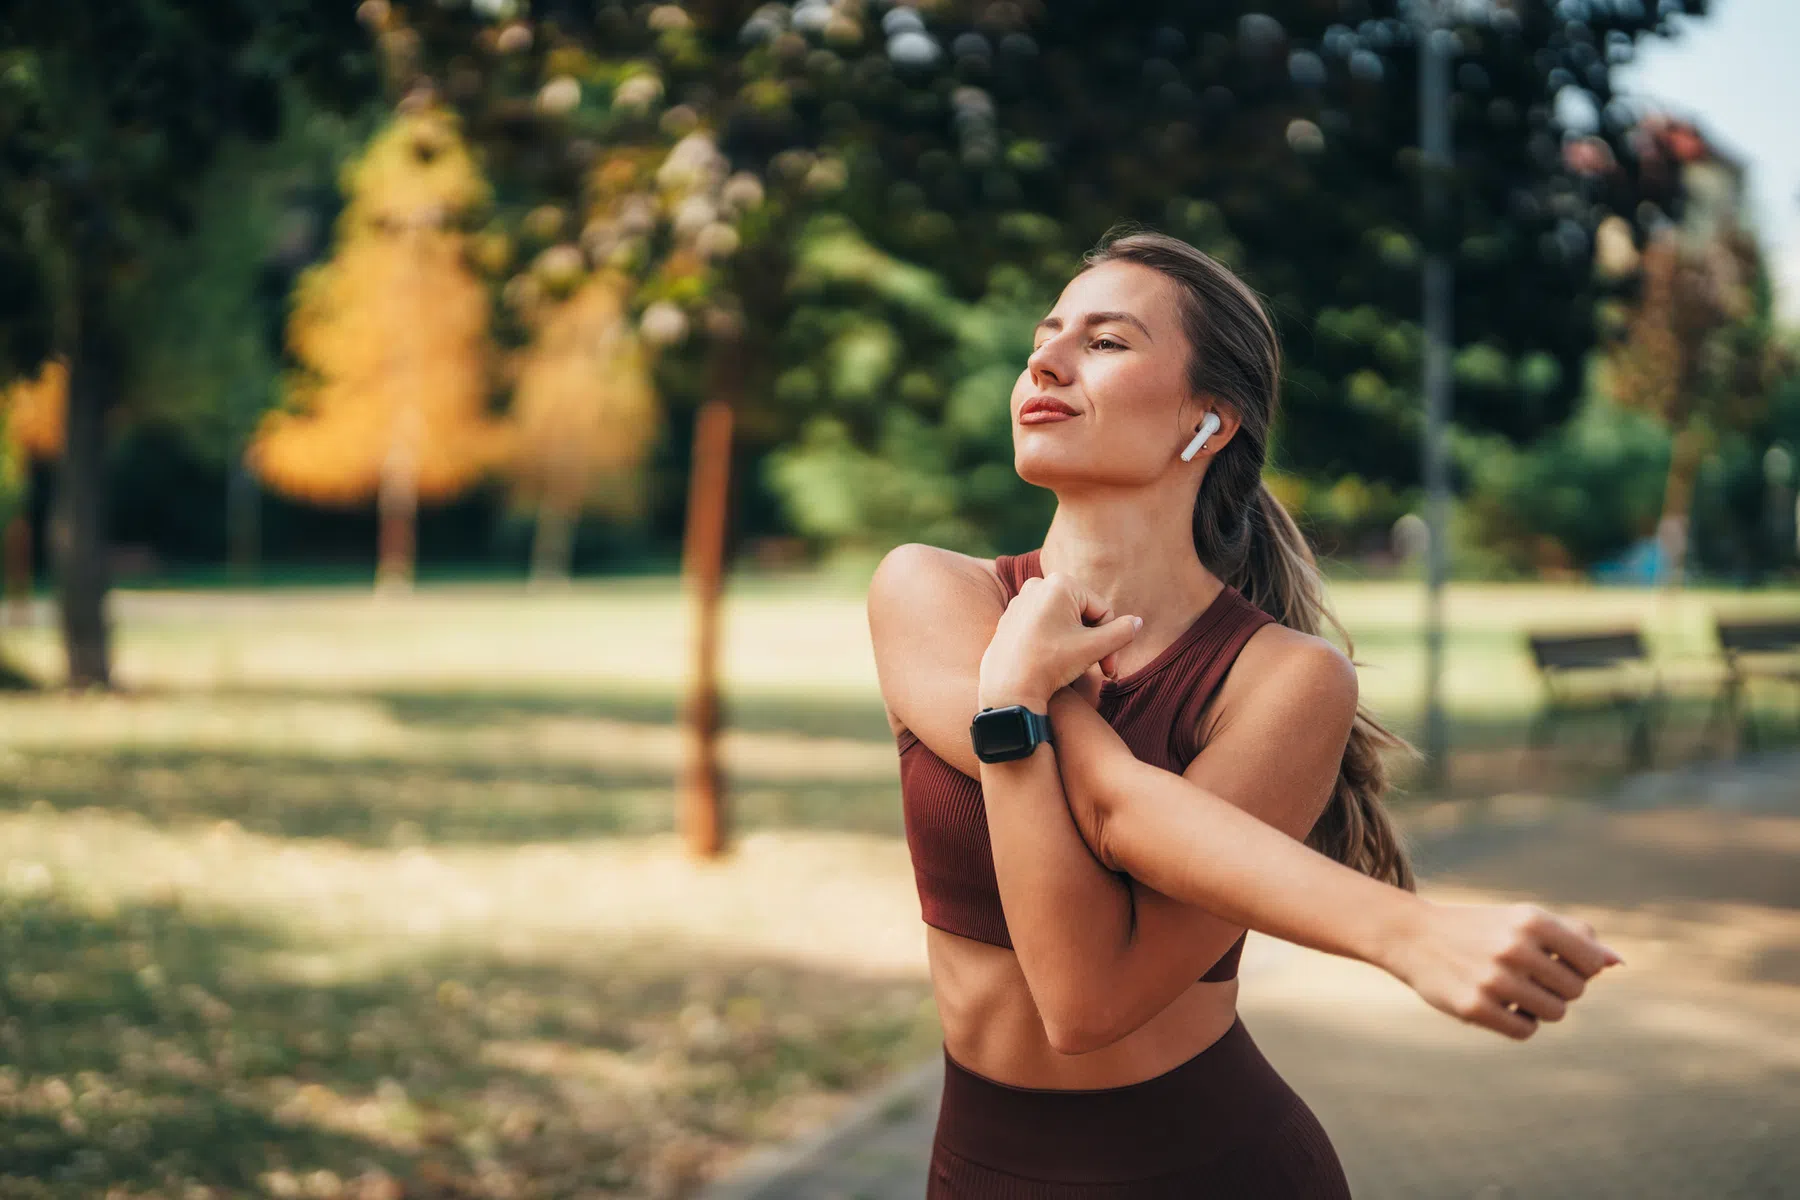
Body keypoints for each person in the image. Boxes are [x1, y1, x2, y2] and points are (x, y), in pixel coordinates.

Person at [866, 229, 1623, 1197]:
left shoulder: (1286, 682)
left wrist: (1013, 697)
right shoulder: (930, 591)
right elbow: (1102, 795)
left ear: (1208, 422)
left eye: (1105, 342)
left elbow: (1086, 997)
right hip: (978, 1173)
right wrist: (1404, 931)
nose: (1043, 361)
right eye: (1045, 336)